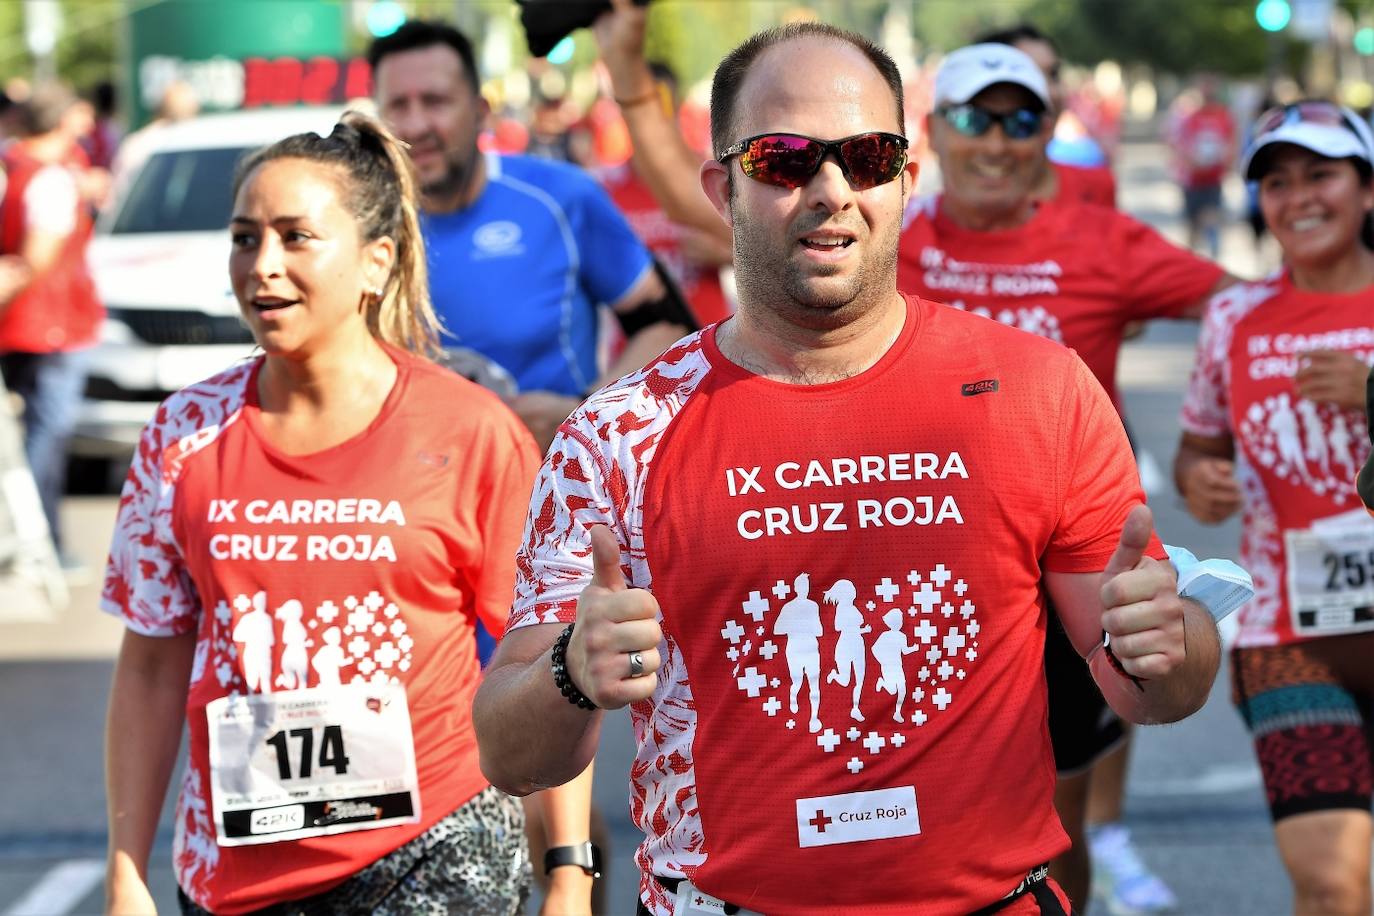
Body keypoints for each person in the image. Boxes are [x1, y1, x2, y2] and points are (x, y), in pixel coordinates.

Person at [473, 22, 1221, 916]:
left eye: (867, 156)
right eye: (784, 160)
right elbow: (511, 756)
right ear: (724, 187)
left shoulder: (1040, 391)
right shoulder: (619, 433)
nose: (832, 192)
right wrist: (569, 670)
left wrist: (1171, 642)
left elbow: (1155, 692)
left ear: (905, 180)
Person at [102, 111, 582, 915]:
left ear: (375, 263)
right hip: (235, 868)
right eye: (245, 237)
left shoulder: (470, 431)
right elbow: (152, 662)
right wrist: (123, 867)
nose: (264, 265)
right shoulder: (183, 436)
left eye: (296, 237)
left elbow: (542, 662)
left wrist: (568, 868)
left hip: (435, 843)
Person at [1176, 100, 1374, 916]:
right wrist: (1200, 481)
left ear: (1365, 188)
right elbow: (1199, 448)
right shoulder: (1235, 315)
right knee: (1330, 884)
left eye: (1321, 175)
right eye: (1277, 182)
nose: (1299, 198)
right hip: (1288, 637)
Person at [368, 20, 691, 454]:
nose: (417, 124)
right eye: (398, 106)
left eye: (436, 101)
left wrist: (582, 413)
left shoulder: (561, 197)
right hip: (412, 491)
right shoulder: (359, 220)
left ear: (481, 111)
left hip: (548, 488)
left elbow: (667, 326)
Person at [0, 82, 102, 577]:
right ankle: (45, 547)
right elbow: (34, 260)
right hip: (51, 325)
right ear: (63, 123)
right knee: (46, 437)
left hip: (26, 325)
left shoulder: (15, 166)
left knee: (29, 437)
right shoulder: (48, 178)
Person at [975, 24, 1116, 208]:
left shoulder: (1095, 183)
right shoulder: (956, 205)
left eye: (1054, 75)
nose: (1050, 92)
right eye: (1028, 77)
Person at [1168, 76, 1236, 259]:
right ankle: (1193, 265)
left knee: (1212, 221)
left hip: (1213, 179)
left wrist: (1226, 163)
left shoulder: (1222, 115)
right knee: (1193, 227)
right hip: (1191, 180)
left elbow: (1231, 141)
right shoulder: (1187, 115)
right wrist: (1189, 161)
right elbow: (1176, 142)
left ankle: (1214, 263)